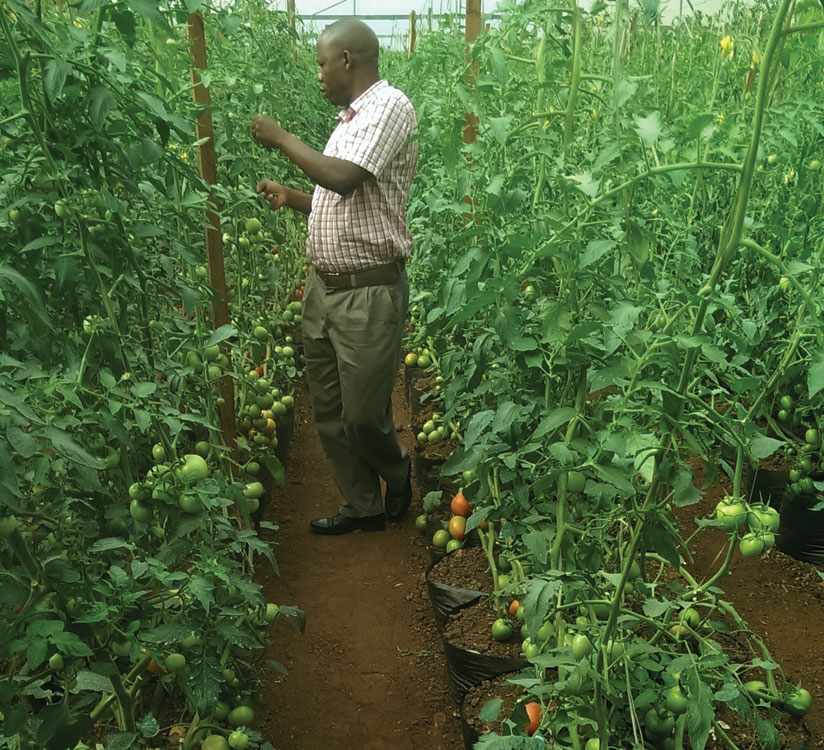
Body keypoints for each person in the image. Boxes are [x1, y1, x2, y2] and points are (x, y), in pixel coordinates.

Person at [251, 18, 418, 535]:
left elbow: (344, 180)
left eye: (322, 63)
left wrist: (281, 138)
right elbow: (340, 200)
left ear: (348, 60)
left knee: (364, 415)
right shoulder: (349, 119)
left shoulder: (389, 106)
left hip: (367, 292)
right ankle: (362, 504)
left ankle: (397, 471)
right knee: (329, 409)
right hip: (326, 289)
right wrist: (295, 199)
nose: (318, 74)